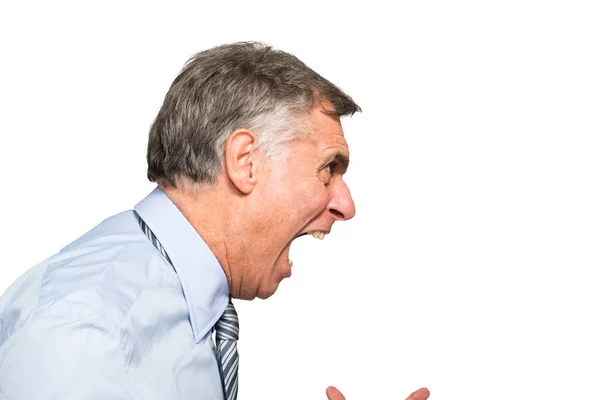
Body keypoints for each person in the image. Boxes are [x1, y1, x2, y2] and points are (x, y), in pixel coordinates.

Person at [0, 42, 430, 400]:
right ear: (245, 162)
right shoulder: (84, 334)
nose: (345, 204)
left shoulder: (172, 312)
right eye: (328, 169)